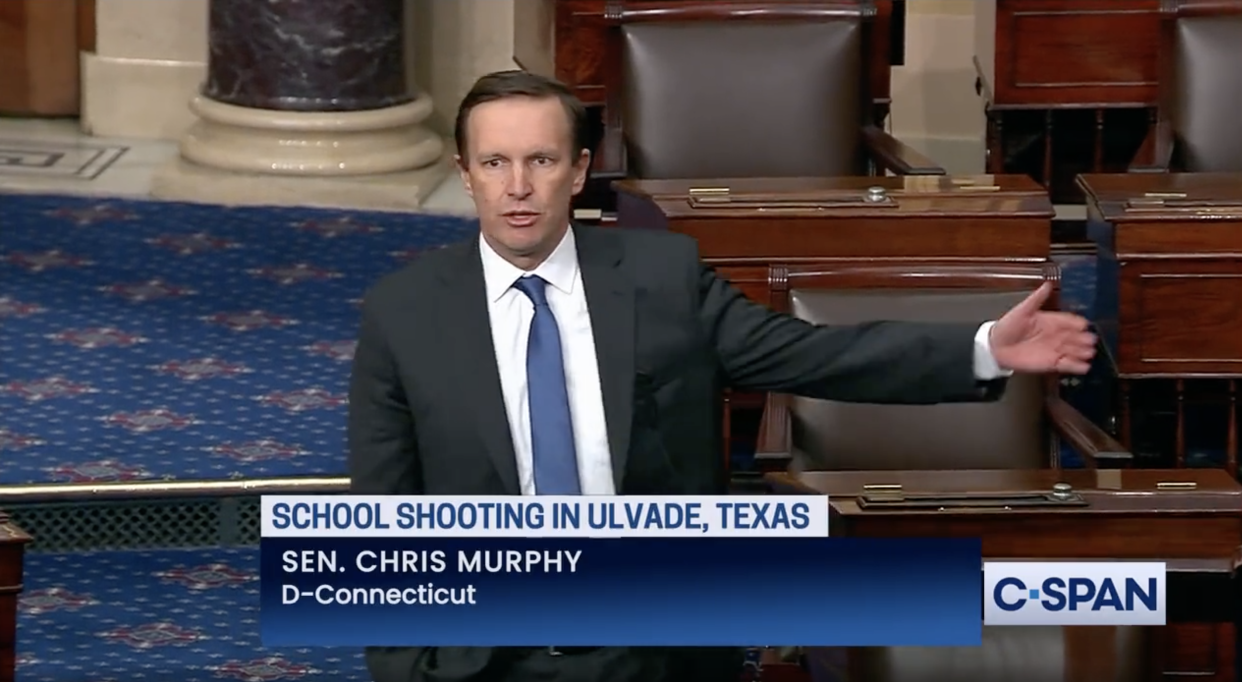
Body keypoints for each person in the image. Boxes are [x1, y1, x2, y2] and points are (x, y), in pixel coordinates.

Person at [347, 69, 1096, 682]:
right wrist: (410, 667)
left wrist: (983, 348)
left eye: (540, 160)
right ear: (465, 175)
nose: (518, 186)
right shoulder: (402, 315)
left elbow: (811, 355)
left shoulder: (661, 278)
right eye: (494, 163)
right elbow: (384, 512)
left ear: (577, 172)